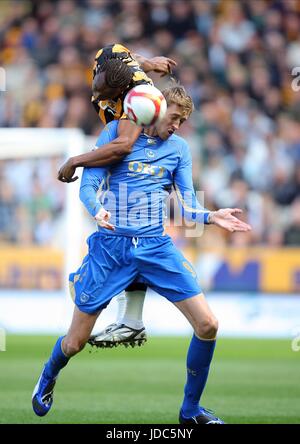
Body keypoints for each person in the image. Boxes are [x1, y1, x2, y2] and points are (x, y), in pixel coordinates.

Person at [33, 86, 251, 423]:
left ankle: (190, 411)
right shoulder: (116, 133)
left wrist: (211, 216)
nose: (177, 125)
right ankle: (48, 376)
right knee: (75, 342)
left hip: (156, 248)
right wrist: (97, 211)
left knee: (208, 325)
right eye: (174, 117)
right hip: (111, 249)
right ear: (155, 109)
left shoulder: (179, 149)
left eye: (183, 121)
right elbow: (88, 185)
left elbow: (189, 205)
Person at [58, 43, 177, 348]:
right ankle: (127, 316)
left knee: (134, 227)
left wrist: (75, 159)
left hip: (132, 150)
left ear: (122, 87)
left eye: (104, 90)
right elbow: (131, 59)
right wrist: (148, 61)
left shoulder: (141, 100)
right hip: (114, 134)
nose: (96, 93)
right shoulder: (109, 54)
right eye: (96, 82)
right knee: (119, 226)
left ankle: (127, 317)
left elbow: (124, 146)